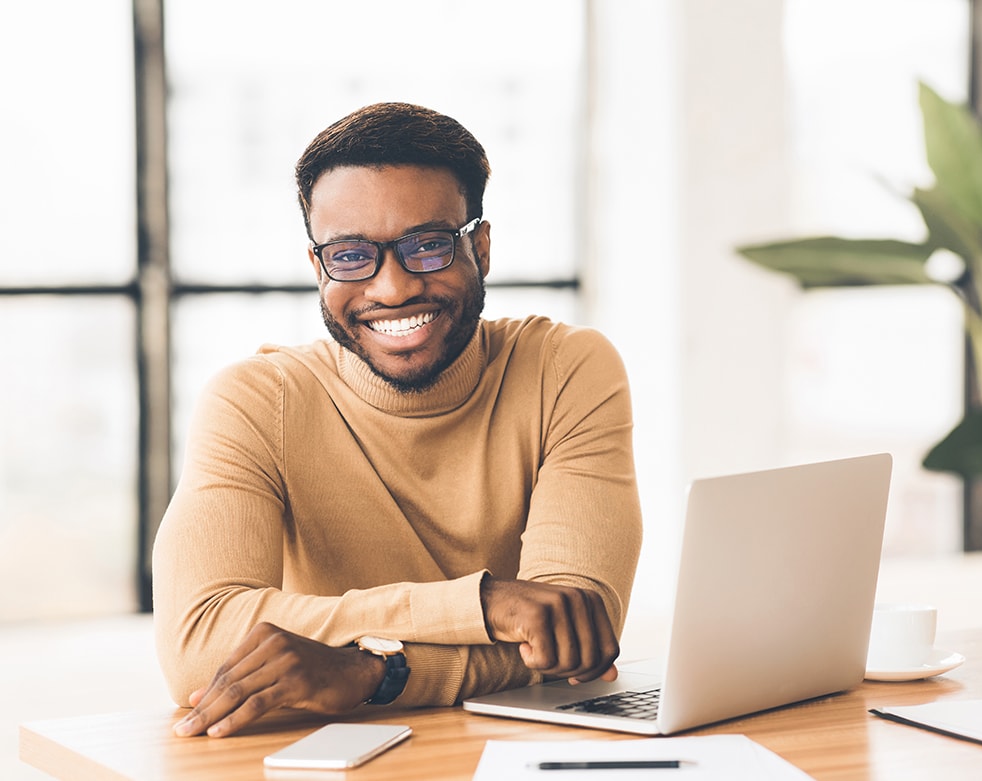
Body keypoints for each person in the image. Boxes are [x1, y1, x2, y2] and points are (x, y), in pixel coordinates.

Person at [153, 102, 643, 739]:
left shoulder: (566, 369)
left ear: (482, 248)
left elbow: (573, 637)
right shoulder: (256, 400)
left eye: (428, 246)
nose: (391, 289)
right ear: (317, 268)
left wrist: (372, 673)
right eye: (352, 256)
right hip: (329, 758)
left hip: (521, 749)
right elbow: (197, 649)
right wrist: (485, 604)